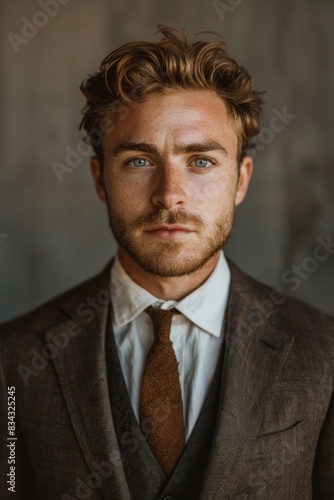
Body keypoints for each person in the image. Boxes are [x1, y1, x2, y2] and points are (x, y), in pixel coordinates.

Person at [0, 25, 333, 500]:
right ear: (100, 179)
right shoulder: (12, 360)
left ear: (241, 180)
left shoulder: (326, 354)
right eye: (138, 161)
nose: (169, 194)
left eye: (200, 161)